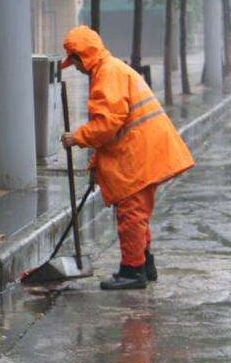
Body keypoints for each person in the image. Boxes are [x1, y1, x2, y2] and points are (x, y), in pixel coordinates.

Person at [60, 25, 194, 290]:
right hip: (146, 153)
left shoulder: (107, 74)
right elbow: (116, 128)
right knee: (138, 214)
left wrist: (78, 137)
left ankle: (132, 272)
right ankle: (144, 264)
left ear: (84, 56)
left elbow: (108, 123)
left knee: (131, 215)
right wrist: (96, 163)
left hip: (140, 156)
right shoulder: (111, 69)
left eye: (74, 60)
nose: (74, 67)